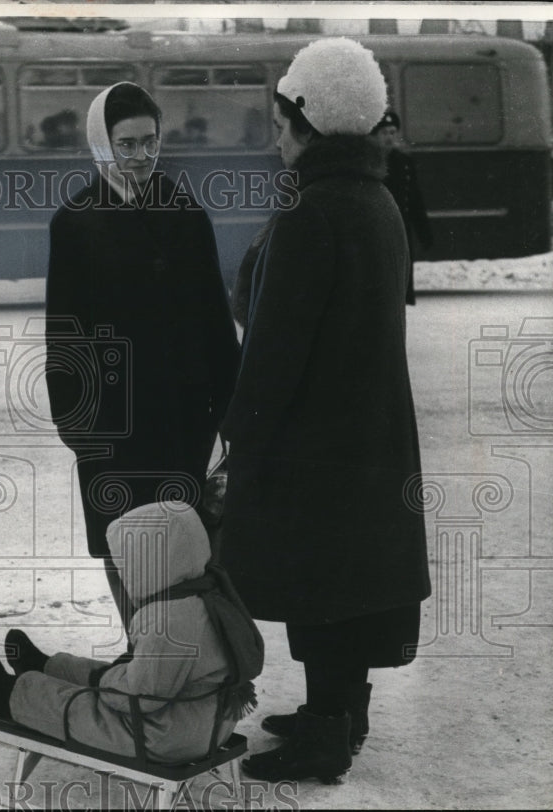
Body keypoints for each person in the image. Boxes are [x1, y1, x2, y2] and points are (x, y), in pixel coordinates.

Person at [219, 38, 430, 783]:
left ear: (308, 120)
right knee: (351, 582)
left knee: (323, 583)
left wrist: (238, 435)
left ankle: (326, 737)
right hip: (370, 432)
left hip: (317, 440)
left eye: (281, 123)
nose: (275, 139)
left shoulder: (313, 210)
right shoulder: (375, 200)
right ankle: (340, 712)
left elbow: (273, 348)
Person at [44, 82, 240, 633]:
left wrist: (228, 409)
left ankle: (188, 673)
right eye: (126, 143)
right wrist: (79, 426)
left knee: (187, 553)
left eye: (150, 141)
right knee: (126, 547)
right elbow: (65, 336)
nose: (141, 155)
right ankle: (143, 660)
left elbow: (213, 321)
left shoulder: (184, 209)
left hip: (183, 423)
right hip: (114, 427)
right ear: (101, 143)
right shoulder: (76, 221)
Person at [0, 502, 242, 763]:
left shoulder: (168, 621)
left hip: (164, 737)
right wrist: (106, 676)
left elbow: (137, 697)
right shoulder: (209, 596)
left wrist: (104, 681)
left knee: (82, 707)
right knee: (111, 676)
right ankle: (45, 666)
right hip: (211, 722)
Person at [373, 110, 434, 305]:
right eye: (384, 133)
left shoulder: (404, 162)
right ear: (374, 135)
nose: (389, 138)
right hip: (377, 233)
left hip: (401, 233)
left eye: (392, 132)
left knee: (399, 290)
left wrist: (424, 234)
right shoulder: (369, 162)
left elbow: (414, 201)